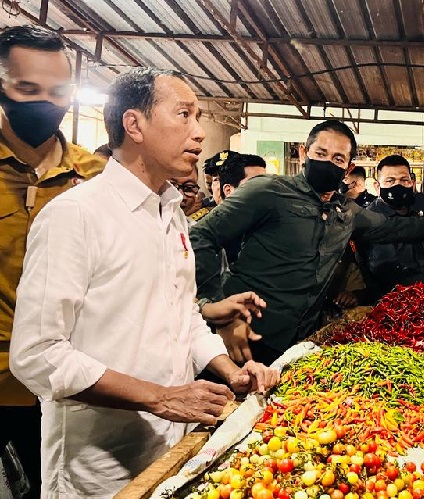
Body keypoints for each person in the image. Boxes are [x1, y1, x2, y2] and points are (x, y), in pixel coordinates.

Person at [9, 68, 279, 497]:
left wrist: (231, 373)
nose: (199, 134)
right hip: (98, 465)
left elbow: (183, 315)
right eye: (184, 115)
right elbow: (37, 355)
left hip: (172, 445)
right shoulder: (76, 214)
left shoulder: (170, 213)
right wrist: (160, 397)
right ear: (134, 124)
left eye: (198, 117)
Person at [191, 120, 424, 365]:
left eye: (338, 158)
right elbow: (201, 237)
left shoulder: (347, 212)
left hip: (300, 343)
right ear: (304, 153)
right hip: (243, 334)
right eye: (320, 153)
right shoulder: (267, 191)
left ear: (348, 168)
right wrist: (216, 307)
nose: (328, 162)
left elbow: (395, 228)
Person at [0, 25, 107, 497]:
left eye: (59, 91)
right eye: (27, 88)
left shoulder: (98, 177)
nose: (45, 101)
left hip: (62, 390)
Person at [356, 154, 424, 301]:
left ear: (412, 183)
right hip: (391, 302)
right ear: (377, 186)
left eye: (404, 180)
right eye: (390, 181)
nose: (398, 185)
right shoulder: (370, 219)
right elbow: (379, 272)